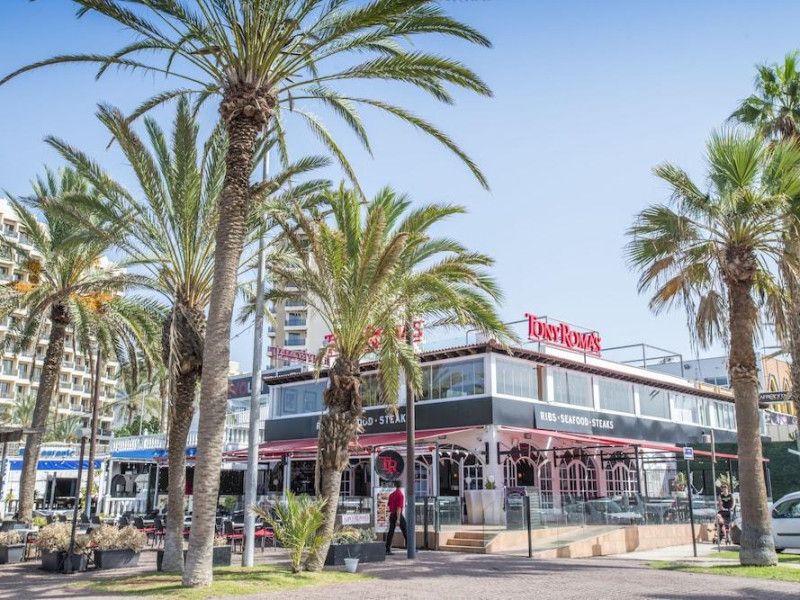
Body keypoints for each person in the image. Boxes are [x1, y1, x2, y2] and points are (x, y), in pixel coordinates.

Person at [385, 481, 408, 555]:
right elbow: (399, 507)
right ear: (401, 485)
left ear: (395, 485)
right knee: (405, 530)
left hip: (392, 514)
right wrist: (398, 519)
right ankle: (410, 546)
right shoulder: (400, 494)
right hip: (398, 514)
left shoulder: (392, 494)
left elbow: (389, 506)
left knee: (391, 532)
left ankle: (387, 549)